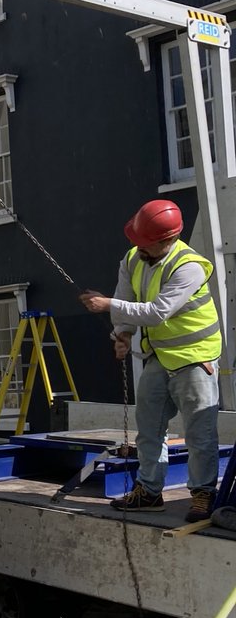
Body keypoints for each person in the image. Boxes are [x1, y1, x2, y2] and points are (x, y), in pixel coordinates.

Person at [79, 199, 221, 522]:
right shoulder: (133, 259)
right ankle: (150, 490)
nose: (137, 246)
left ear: (166, 241)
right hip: (161, 356)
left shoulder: (190, 267)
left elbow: (157, 311)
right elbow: (127, 300)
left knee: (200, 431)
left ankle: (202, 494)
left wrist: (107, 306)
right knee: (149, 426)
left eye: (144, 242)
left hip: (195, 358)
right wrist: (123, 334)